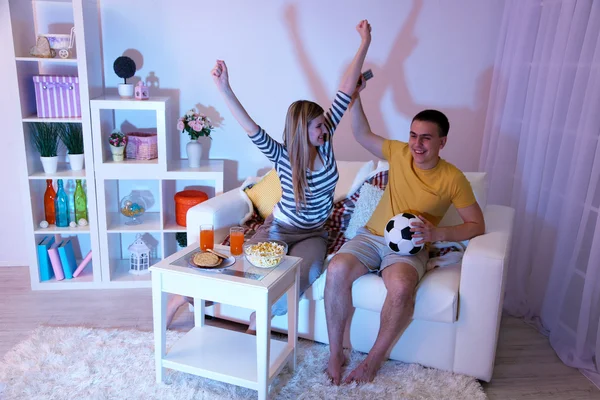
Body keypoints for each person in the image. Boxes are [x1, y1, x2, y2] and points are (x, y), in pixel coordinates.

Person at [165, 20, 372, 331]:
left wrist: (364, 43)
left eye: (323, 124)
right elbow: (249, 126)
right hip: (279, 228)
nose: (325, 129)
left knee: (307, 272)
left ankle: (257, 319)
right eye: (317, 125)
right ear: (302, 130)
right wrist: (224, 88)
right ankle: (186, 296)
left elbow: (345, 90)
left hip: (314, 233)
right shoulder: (283, 155)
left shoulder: (325, 144)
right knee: (243, 268)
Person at [324, 83, 486, 384]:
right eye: (413, 135)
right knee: (335, 269)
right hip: (371, 236)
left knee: (400, 288)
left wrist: (437, 233)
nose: (417, 144)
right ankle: (336, 353)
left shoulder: (453, 178)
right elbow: (362, 134)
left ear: (442, 141)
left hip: (408, 248)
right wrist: (355, 99)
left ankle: (372, 361)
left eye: (426, 137)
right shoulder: (398, 153)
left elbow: (477, 225)